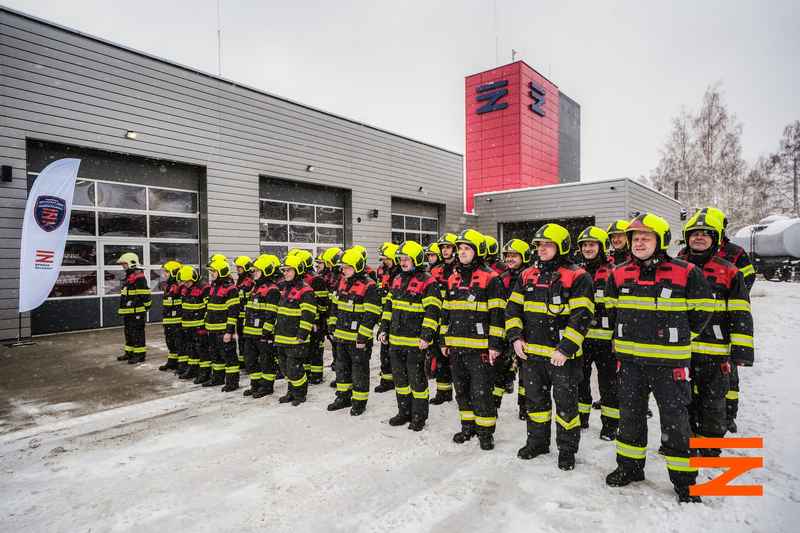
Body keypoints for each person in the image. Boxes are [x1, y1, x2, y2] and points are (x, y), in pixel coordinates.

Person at [604, 213, 713, 503]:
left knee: (676, 423)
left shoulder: (687, 272)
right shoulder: (618, 273)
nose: (639, 243)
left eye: (646, 238)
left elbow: (702, 311)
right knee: (630, 418)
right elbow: (611, 310)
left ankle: (685, 482)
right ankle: (629, 468)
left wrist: (679, 337)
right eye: (635, 238)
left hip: (670, 365)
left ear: (660, 240)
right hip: (631, 364)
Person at [505, 224, 594, 471]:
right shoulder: (526, 275)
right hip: (532, 355)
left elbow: (582, 316)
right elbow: (512, 310)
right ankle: (537, 443)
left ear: (561, 247)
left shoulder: (578, 276)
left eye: (548, 245)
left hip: (563, 357)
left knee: (566, 407)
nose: (542, 249)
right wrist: (515, 337)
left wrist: (565, 349)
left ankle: (567, 450)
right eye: (539, 245)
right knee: (535, 403)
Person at [678, 210, 754, 453]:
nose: (699, 238)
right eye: (694, 234)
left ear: (716, 238)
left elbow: (741, 312)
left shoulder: (729, 271)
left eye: (705, 234)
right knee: (682, 399)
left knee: (713, 402)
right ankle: (686, 441)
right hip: (682, 350)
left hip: (716, 350)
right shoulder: (676, 267)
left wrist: (741, 351)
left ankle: (710, 448)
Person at [440, 229, 505, 451]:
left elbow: (498, 315)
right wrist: (444, 340)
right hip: (457, 347)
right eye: (460, 248)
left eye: (467, 248)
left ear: (477, 251)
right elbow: (446, 312)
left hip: (481, 350)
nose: (462, 252)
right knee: (462, 391)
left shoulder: (491, 278)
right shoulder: (453, 278)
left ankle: (485, 433)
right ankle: (467, 427)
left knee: (481, 392)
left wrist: (495, 345)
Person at [697, 206, 756, 433]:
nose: (701, 235)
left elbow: (747, 278)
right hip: (699, 332)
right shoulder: (687, 253)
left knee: (728, 377)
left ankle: (729, 415)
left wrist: (729, 298)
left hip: (724, 324)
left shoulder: (735, 252)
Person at [378, 240, 442, 431]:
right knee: (400, 381)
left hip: (415, 342)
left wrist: (426, 336)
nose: (403, 262)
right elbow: (388, 307)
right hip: (396, 341)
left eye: (407, 259)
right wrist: (383, 329)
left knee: (417, 381)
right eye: (401, 259)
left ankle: (419, 416)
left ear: (417, 259)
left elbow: (432, 312)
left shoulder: (428, 281)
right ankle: (403, 412)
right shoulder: (397, 279)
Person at [575, 226, 619, 440]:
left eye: (592, 244)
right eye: (584, 245)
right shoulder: (576, 271)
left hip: (606, 340)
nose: (588, 248)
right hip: (581, 338)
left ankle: (610, 426)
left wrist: (617, 336)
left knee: (609, 384)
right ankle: (581, 418)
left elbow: (620, 308)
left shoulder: (614, 271)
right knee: (580, 381)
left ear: (601, 247)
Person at [327, 247, 382, 416]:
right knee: (342, 369)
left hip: (358, 339)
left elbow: (371, 314)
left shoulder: (369, 285)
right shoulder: (342, 282)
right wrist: (332, 324)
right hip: (341, 336)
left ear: (357, 267)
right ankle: (343, 397)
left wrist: (363, 336)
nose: (344, 270)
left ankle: (359, 402)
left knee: (359, 371)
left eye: (347, 267)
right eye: (343, 267)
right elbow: (335, 306)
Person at [493, 239, 531, 413]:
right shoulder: (501, 278)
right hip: (505, 328)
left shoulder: (531, 276)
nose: (509, 259)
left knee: (526, 372)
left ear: (524, 257)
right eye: (507, 255)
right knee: (500, 368)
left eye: (514, 255)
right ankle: (494, 403)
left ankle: (524, 406)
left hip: (527, 330)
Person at [274, 254, 317, 406]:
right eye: (284, 270)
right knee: (285, 368)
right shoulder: (285, 288)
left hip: (296, 338)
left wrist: (302, 334)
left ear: (297, 270)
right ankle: (291, 392)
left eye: (289, 270)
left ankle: (300, 393)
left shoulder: (306, 290)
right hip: (282, 336)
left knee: (294, 368)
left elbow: (308, 314)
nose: (285, 273)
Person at [242, 254, 282, 398]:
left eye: (257, 271)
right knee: (250, 360)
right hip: (250, 332)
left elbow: (271, 313)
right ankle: (255, 385)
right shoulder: (255, 287)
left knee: (266, 361)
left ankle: (266, 386)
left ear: (265, 271)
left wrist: (266, 331)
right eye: (254, 271)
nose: (254, 273)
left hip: (263, 334)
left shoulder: (272, 290)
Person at [293, 249, 331, 385]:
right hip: (305, 319)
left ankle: (316, 375)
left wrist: (316, 320)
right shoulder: (302, 279)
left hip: (316, 321)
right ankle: (308, 372)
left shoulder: (316, 279)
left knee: (315, 348)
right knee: (306, 348)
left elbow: (321, 303)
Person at [203, 256, 241, 391]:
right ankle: (217, 378)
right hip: (212, 329)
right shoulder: (214, 286)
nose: (212, 274)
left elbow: (233, 313)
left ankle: (232, 382)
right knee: (215, 356)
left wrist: (229, 332)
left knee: (229, 357)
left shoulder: (231, 289)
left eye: (214, 271)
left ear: (221, 272)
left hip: (223, 330)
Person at [429, 233, 458, 404]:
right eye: (443, 248)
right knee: (440, 356)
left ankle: (464, 394)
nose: (445, 250)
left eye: (448, 247)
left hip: (456, 317)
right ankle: (443, 392)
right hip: (438, 318)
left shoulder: (460, 269)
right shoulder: (435, 270)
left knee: (457, 358)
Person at [175, 266, 210, 383]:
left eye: (188, 282)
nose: (186, 284)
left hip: (200, 325)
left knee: (202, 350)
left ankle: (205, 372)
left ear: (194, 278)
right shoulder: (185, 288)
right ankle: (193, 369)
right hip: (188, 325)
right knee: (191, 349)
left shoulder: (204, 288)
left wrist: (204, 324)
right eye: (184, 282)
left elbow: (208, 308)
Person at [115, 252, 152, 364]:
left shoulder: (139, 278)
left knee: (137, 333)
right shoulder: (129, 277)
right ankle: (129, 353)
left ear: (131, 263)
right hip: (129, 312)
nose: (123, 266)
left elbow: (145, 295)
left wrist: (144, 308)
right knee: (129, 332)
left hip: (137, 313)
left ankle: (139, 355)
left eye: (124, 264)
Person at [375, 242, 400, 393]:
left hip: (397, 315)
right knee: (384, 350)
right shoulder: (383, 272)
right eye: (384, 259)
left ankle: (397, 379)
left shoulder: (399, 273)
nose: (385, 262)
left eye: (387, 259)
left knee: (395, 351)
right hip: (385, 313)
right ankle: (387, 380)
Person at [158, 260, 183, 371]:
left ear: (174, 272)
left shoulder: (180, 286)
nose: (164, 274)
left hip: (177, 319)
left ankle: (181, 364)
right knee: (170, 341)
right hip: (168, 318)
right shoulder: (168, 286)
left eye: (167, 272)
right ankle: (172, 361)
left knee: (179, 342)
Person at [234, 255, 255, 370]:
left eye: (240, 268)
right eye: (237, 267)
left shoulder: (249, 281)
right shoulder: (240, 280)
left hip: (246, 316)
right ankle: (242, 361)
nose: (237, 270)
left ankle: (248, 362)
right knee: (241, 339)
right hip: (240, 315)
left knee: (247, 341)